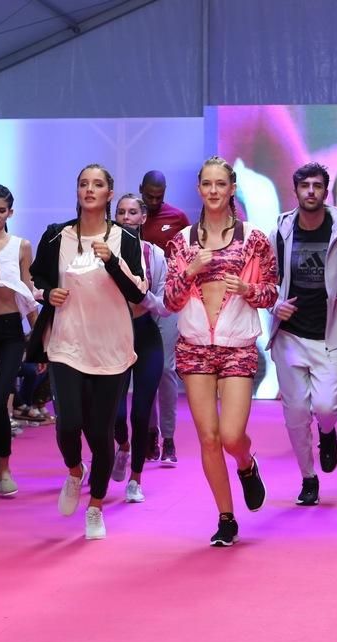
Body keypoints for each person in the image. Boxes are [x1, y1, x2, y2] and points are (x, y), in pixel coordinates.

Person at [27, 164, 147, 540]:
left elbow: (139, 292)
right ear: (77, 191)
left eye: (98, 185)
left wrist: (111, 261)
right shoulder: (55, 236)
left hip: (111, 347)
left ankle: (95, 507)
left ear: (110, 194)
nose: (89, 190)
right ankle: (74, 471)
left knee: (100, 431)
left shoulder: (125, 239)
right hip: (66, 343)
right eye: (83, 184)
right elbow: (37, 278)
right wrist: (47, 294)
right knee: (67, 423)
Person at [164, 156, 278, 546]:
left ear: (232, 189)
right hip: (195, 346)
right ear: (199, 189)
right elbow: (171, 300)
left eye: (221, 184)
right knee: (208, 438)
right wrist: (191, 269)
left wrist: (249, 291)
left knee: (231, 436)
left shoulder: (255, 239)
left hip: (237, 347)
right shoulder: (181, 243)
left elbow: (271, 293)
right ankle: (226, 518)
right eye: (207, 184)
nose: (214, 191)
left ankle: (246, 464)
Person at [267, 163, 337, 506]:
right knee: (294, 415)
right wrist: (275, 306)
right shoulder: (281, 230)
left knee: (325, 406)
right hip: (290, 335)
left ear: (326, 190)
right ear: (295, 190)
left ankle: (328, 432)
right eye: (304, 185)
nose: (310, 191)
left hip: (329, 332)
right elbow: (269, 280)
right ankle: (308, 478)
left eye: (317, 185)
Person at [0, 184, 39, 497]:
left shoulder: (21, 246)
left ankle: (6, 468)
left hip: (11, 330)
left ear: (10, 213)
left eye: (2, 210)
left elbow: (27, 291)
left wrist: (40, 340)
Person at [110, 194, 169, 504]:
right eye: (121, 212)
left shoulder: (155, 255)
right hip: (113, 337)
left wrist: (142, 297)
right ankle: (122, 446)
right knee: (116, 413)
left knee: (141, 410)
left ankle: (135, 479)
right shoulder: (103, 253)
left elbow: (164, 305)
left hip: (146, 335)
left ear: (143, 217)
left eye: (132, 212)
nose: (126, 217)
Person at [139, 170, 190, 465]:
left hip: (169, 302)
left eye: (159, 196)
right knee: (145, 372)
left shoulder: (179, 218)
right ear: (141, 189)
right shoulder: (133, 218)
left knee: (166, 371)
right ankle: (149, 434)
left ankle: (169, 438)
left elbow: (187, 259)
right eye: (149, 196)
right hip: (138, 304)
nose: (155, 201)